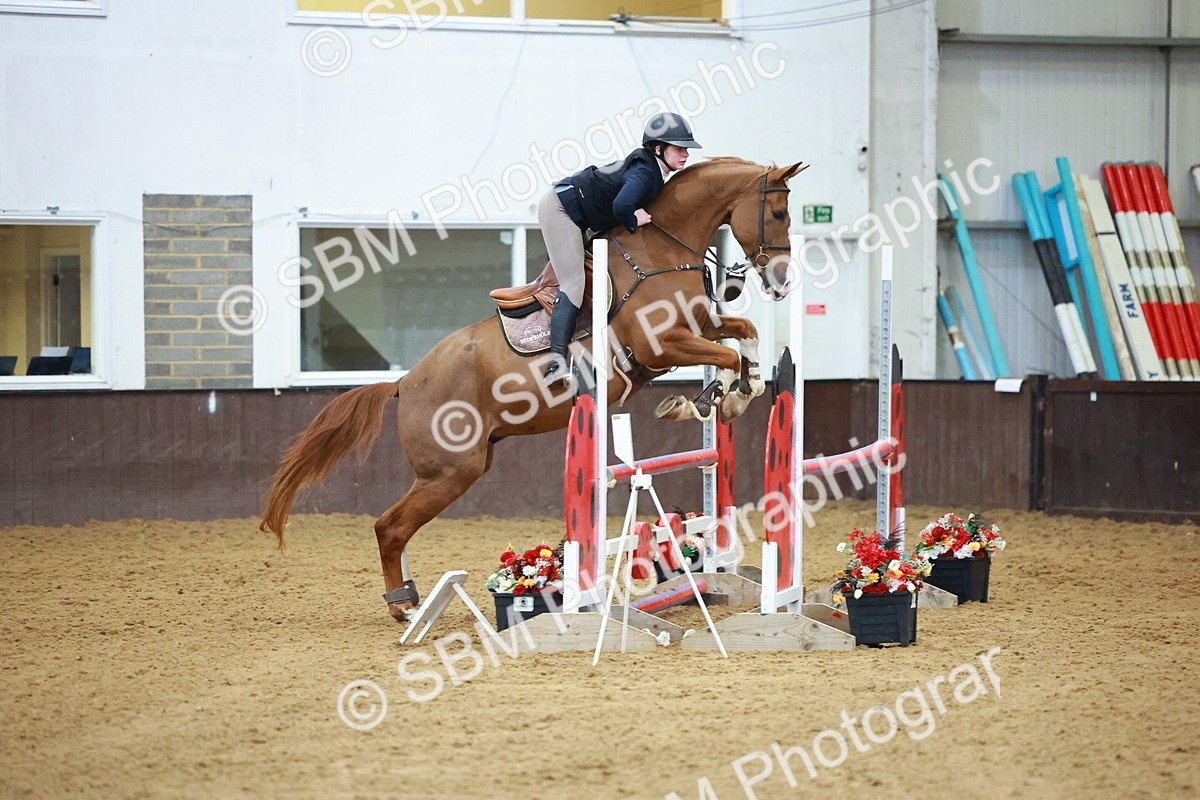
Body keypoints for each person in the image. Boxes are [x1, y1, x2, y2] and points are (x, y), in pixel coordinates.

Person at [538, 111, 702, 383]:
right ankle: (555, 363)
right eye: (679, 148)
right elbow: (622, 206)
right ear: (658, 149)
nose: (685, 154)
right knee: (574, 283)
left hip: (581, 213)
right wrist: (632, 218)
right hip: (561, 209)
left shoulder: (654, 170)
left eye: (686, 148)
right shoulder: (644, 172)